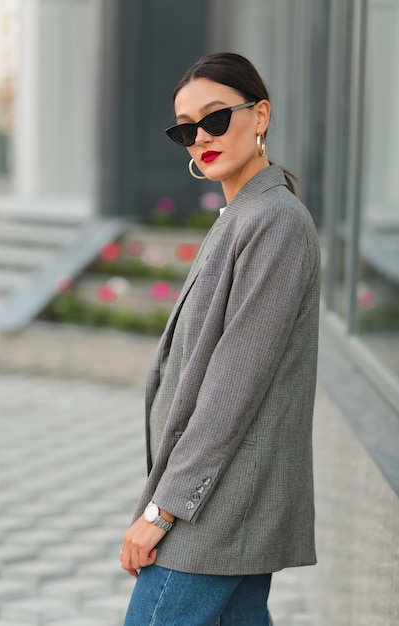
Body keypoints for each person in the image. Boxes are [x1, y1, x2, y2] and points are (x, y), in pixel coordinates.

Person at [120, 52, 320, 626]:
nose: (199, 137)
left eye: (215, 119)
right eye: (187, 129)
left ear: (260, 115)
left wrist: (162, 512)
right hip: (220, 504)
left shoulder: (274, 221)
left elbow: (232, 386)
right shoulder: (240, 216)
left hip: (215, 510)